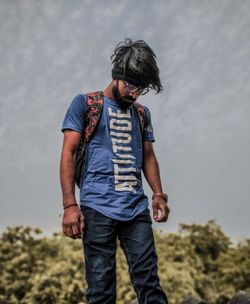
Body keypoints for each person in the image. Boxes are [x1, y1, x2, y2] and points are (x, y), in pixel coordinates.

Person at [60, 38, 170, 304]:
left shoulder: (142, 113)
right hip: (96, 208)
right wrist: (69, 205)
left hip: (135, 209)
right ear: (116, 75)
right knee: (100, 289)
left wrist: (158, 194)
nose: (134, 93)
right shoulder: (85, 104)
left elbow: (148, 155)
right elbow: (68, 153)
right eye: (131, 85)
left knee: (149, 283)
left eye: (140, 88)